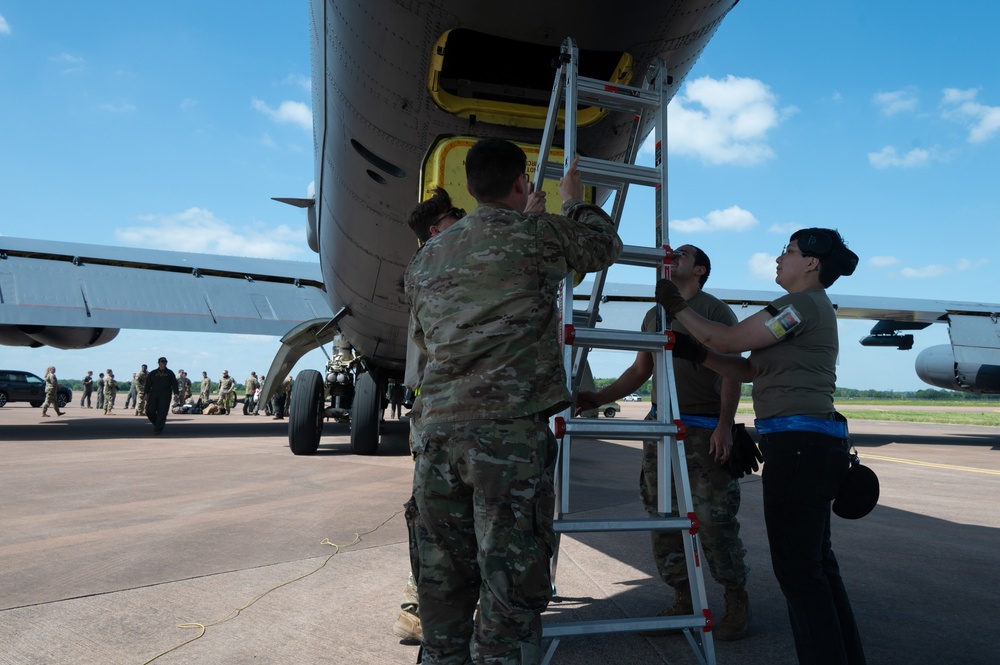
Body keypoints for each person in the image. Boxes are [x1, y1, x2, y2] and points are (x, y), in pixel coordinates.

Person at [403, 138, 622, 663]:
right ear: (522, 183)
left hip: (435, 435)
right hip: (505, 433)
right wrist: (574, 201)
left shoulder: (425, 258)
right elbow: (601, 246)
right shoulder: (534, 234)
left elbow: (424, 340)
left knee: (441, 577)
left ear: (471, 187)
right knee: (509, 577)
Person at [655, 228, 864, 664]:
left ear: (811, 263)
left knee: (799, 573)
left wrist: (677, 308)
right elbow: (748, 368)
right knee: (816, 566)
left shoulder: (799, 306)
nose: (778, 258)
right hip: (807, 444)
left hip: (800, 447)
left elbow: (728, 340)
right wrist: (697, 354)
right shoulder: (806, 309)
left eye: (788, 252)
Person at [392, 185, 549, 644]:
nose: (464, 221)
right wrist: (529, 226)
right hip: (473, 421)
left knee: (443, 537)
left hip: (438, 422)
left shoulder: (424, 270)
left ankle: (430, 620)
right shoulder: (454, 267)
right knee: (484, 541)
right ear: (437, 229)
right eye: (454, 217)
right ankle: (423, 613)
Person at [576, 244, 750, 640]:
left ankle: (736, 598)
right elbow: (641, 367)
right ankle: (683, 598)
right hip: (661, 429)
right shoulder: (655, 314)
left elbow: (732, 373)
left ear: (701, 270)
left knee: (713, 520)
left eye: (684, 254)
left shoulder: (715, 312)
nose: (673, 256)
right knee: (662, 517)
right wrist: (600, 398)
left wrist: (725, 425)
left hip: (704, 431)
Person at [145, 357, 179, 435]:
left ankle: (158, 428)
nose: (164, 363)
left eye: (165, 361)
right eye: (162, 361)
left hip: (165, 395)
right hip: (154, 394)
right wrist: (146, 393)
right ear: (159, 363)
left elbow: (174, 384)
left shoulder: (170, 373)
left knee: (162, 412)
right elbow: (148, 384)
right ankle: (157, 423)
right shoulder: (153, 373)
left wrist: (176, 394)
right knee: (149, 411)